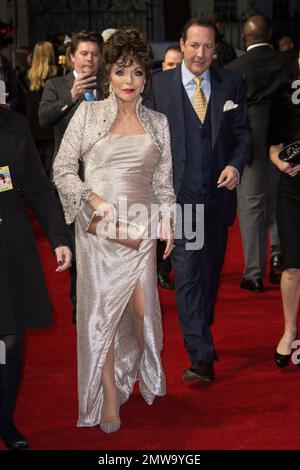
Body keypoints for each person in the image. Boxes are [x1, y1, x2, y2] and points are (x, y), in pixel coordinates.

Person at [53, 27, 175, 433]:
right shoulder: (87, 116)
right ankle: (108, 395)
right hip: (100, 228)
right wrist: (93, 199)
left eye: (138, 73)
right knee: (101, 316)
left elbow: (163, 181)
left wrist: (169, 219)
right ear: (108, 75)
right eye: (121, 71)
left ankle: (136, 363)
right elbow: (62, 169)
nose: (129, 81)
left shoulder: (158, 123)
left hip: (139, 230)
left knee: (142, 312)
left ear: (146, 78)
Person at [144, 17, 251, 382]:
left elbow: (243, 135)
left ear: (215, 48)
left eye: (207, 46)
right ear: (182, 44)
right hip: (180, 199)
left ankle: (200, 327)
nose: (200, 53)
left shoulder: (230, 83)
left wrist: (236, 166)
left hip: (217, 199)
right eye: (194, 45)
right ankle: (200, 356)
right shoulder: (159, 86)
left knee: (208, 275)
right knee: (188, 274)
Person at [0, 107, 72, 450]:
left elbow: (38, 188)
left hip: (10, 248)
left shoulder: (13, 125)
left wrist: (59, 237)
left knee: (10, 341)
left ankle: (4, 419)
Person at [39, 30, 104, 324]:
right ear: (73, 57)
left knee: (104, 246)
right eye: (84, 54)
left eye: (94, 54)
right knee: (78, 248)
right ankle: (81, 310)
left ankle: (107, 304)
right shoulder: (56, 86)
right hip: (72, 183)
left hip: (106, 182)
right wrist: (72, 95)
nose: (89, 59)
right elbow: (44, 119)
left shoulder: (109, 85)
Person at [226, 15, 288, 292]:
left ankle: (253, 274)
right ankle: (279, 257)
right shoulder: (287, 63)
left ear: (244, 38)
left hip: (249, 143)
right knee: (277, 203)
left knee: (250, 208)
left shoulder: (234, 68)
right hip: (283, 142)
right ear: (270, 34)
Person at [269, 80, 300, 368]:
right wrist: (281, 163)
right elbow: (274, 146)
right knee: (291, 263)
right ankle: (290, 330)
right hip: (292, 188)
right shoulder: (285, 92)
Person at [27, 41, 57, 177]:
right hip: (49, 126)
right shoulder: (57, 77)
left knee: (36, 165)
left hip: (32, 125)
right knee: (50, 164)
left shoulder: (27, 76)